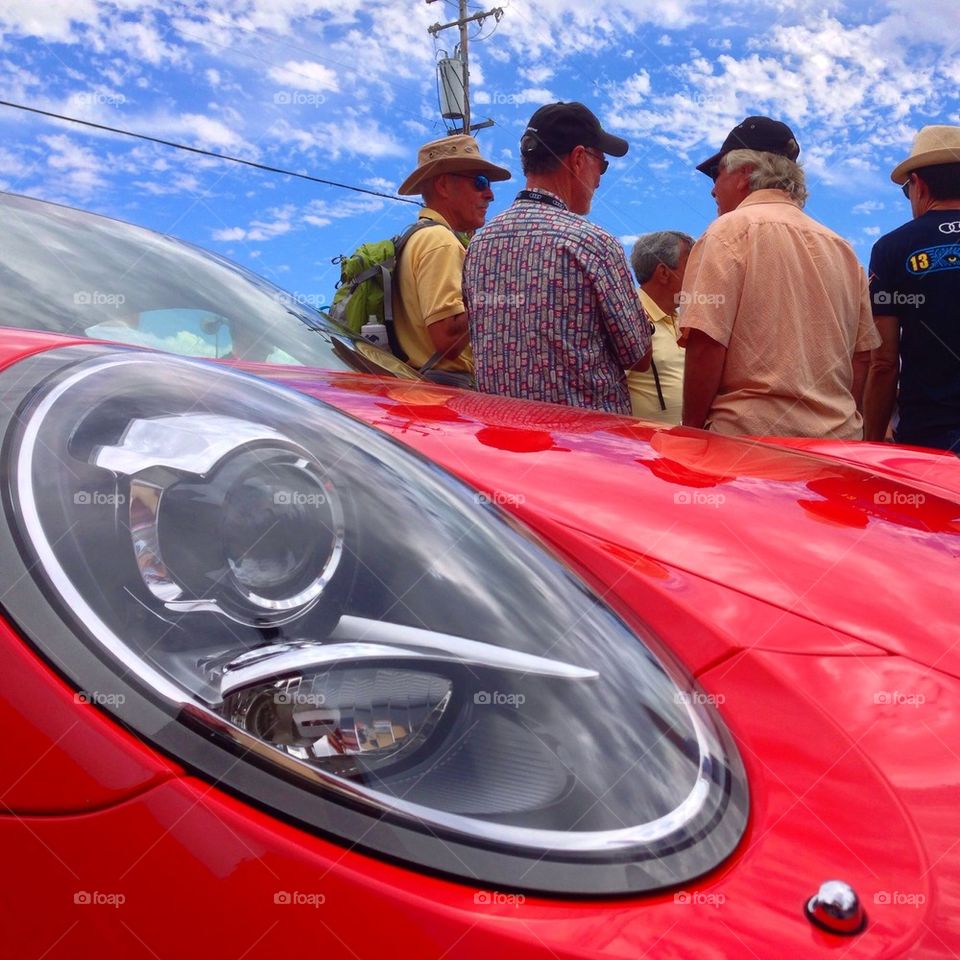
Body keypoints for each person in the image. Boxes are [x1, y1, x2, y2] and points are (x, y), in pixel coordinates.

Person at [680, 116, 880, 438]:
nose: (714, 190)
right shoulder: (842, 249)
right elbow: (862, 358)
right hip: (836, 448)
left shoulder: (727, 232)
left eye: (717, 175)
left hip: (749, 447)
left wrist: (691, 431)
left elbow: (706, 344)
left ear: (745, 174)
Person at [463, 101, 651, 414]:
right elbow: (640, 357)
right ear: (578, 158)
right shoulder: (593, 244)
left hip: (502, 444)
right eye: (601, 165)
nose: (600, 178)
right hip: (582, 448)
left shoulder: (479, 245)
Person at [863, 125, 960, 451]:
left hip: (929, 439)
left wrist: (872, 445)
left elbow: (884, 363)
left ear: (918, 185)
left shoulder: (892, 248)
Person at [395, 134, 511, 386]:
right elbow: (447, 339)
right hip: (446, 392)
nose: (489, 194)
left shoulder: (416, 237)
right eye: (480, 182)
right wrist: (496, 288)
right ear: (444, 186)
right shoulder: (440, 241)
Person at [627, 231, 694, 424]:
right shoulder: (630, 317)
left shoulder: (681, 320)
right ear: (664, 273)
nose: (701, 275)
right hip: (643, 448)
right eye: (692, 266)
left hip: (683, 447)